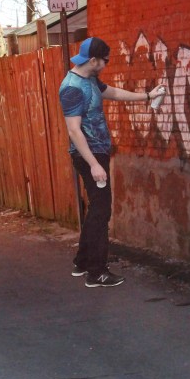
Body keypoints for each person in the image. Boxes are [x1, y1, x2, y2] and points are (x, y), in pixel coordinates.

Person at [59, 36, 164, 288]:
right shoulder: (72, 87)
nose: (106, 65)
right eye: (105, 61)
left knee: (97, 208)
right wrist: (94, 164)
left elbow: (112, 93)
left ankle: (82, 261)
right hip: (89, 155)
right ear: (93, 60)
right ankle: (96, 273)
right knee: (102, 210)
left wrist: (147, 96)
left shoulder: (90, 79)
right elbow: (74, 130)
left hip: (98, 152)